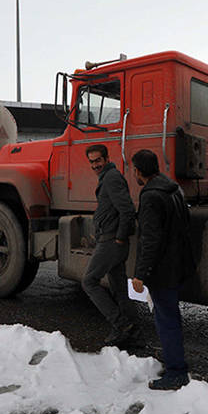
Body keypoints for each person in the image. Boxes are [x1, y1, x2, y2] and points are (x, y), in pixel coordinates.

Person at [130, 149, 195, 390]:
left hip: (163, 269)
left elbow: (150, 240)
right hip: (178, 263)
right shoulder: (173, 188)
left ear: (138, 171)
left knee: (165, 319)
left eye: (133, 169)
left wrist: (140, 274)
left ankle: (176, 372)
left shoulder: (150, 196)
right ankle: (173, 359)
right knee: (170, 316)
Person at [83, 144, 140, 346]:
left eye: (98, 160)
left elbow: (127, 209)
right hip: (110, 237)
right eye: (91, 162)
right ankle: (131, 331)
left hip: (111, 240)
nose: (95, 165)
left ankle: (121, 324)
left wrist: (120, 237)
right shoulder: (107, 177)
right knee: (118, 286)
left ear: (106, 159)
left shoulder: (112, 177)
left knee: (89, 282)